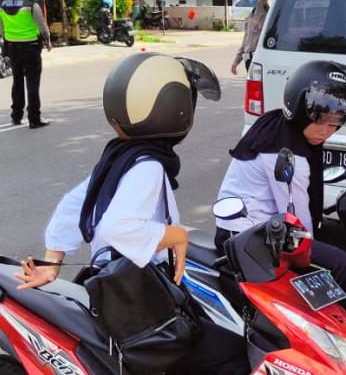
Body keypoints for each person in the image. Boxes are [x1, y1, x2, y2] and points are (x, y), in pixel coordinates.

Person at [14, 52, 250, 374]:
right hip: (139, 297)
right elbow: (118, 228)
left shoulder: (121, 154)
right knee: (231, 351)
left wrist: (52, 261)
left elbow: (75, 204)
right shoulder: (149, 165)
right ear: (177, 111)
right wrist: (176, 235)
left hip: (117, 288)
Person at [215, 60, 346, 311]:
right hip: (249, 239)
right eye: (321, 121)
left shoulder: (279, 125)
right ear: (299, 109)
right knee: (341, 264)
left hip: (258, 229)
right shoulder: (285, 154)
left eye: (335, 123)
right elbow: (299, 221)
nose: (327, 131)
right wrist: (318, 251)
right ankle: (338, 339)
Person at [0, 0, 51, 128]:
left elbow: (1, 27)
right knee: (32, 83)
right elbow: (42, 27)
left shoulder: (1, 4)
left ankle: (16, 116)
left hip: (12, 48)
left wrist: (7, 40)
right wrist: (47, 41)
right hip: (31, 48)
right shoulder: (31, 5)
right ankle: (34, 118)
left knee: (17, 81)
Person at [231, 0, 270, 75]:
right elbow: (246, 41)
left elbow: (262, 27)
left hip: (260, 60)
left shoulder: (268, 14)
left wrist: (261, 5)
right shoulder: (250, 16)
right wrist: (236, 61)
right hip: (248, 60)